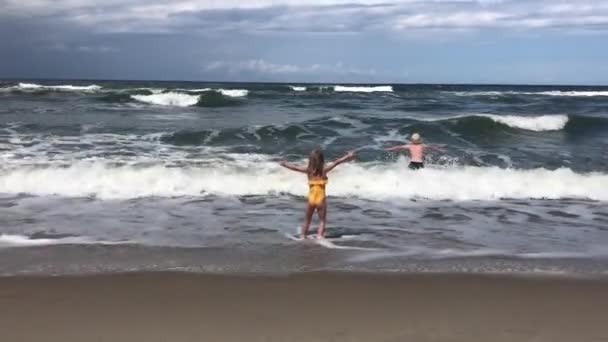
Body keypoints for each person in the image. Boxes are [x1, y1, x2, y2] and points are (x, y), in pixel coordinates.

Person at [280, 149, 355, 239]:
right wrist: (348, 156)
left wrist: (285, 164)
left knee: (307, 219)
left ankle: (303, 236)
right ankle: (319, 236)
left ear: (310, 160)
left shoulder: (308, 170)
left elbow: (295, 168)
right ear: (322, 160)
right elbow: (337, 162)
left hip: (311, 198)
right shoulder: (324, 169)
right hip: (321, 198)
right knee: (322, 220)